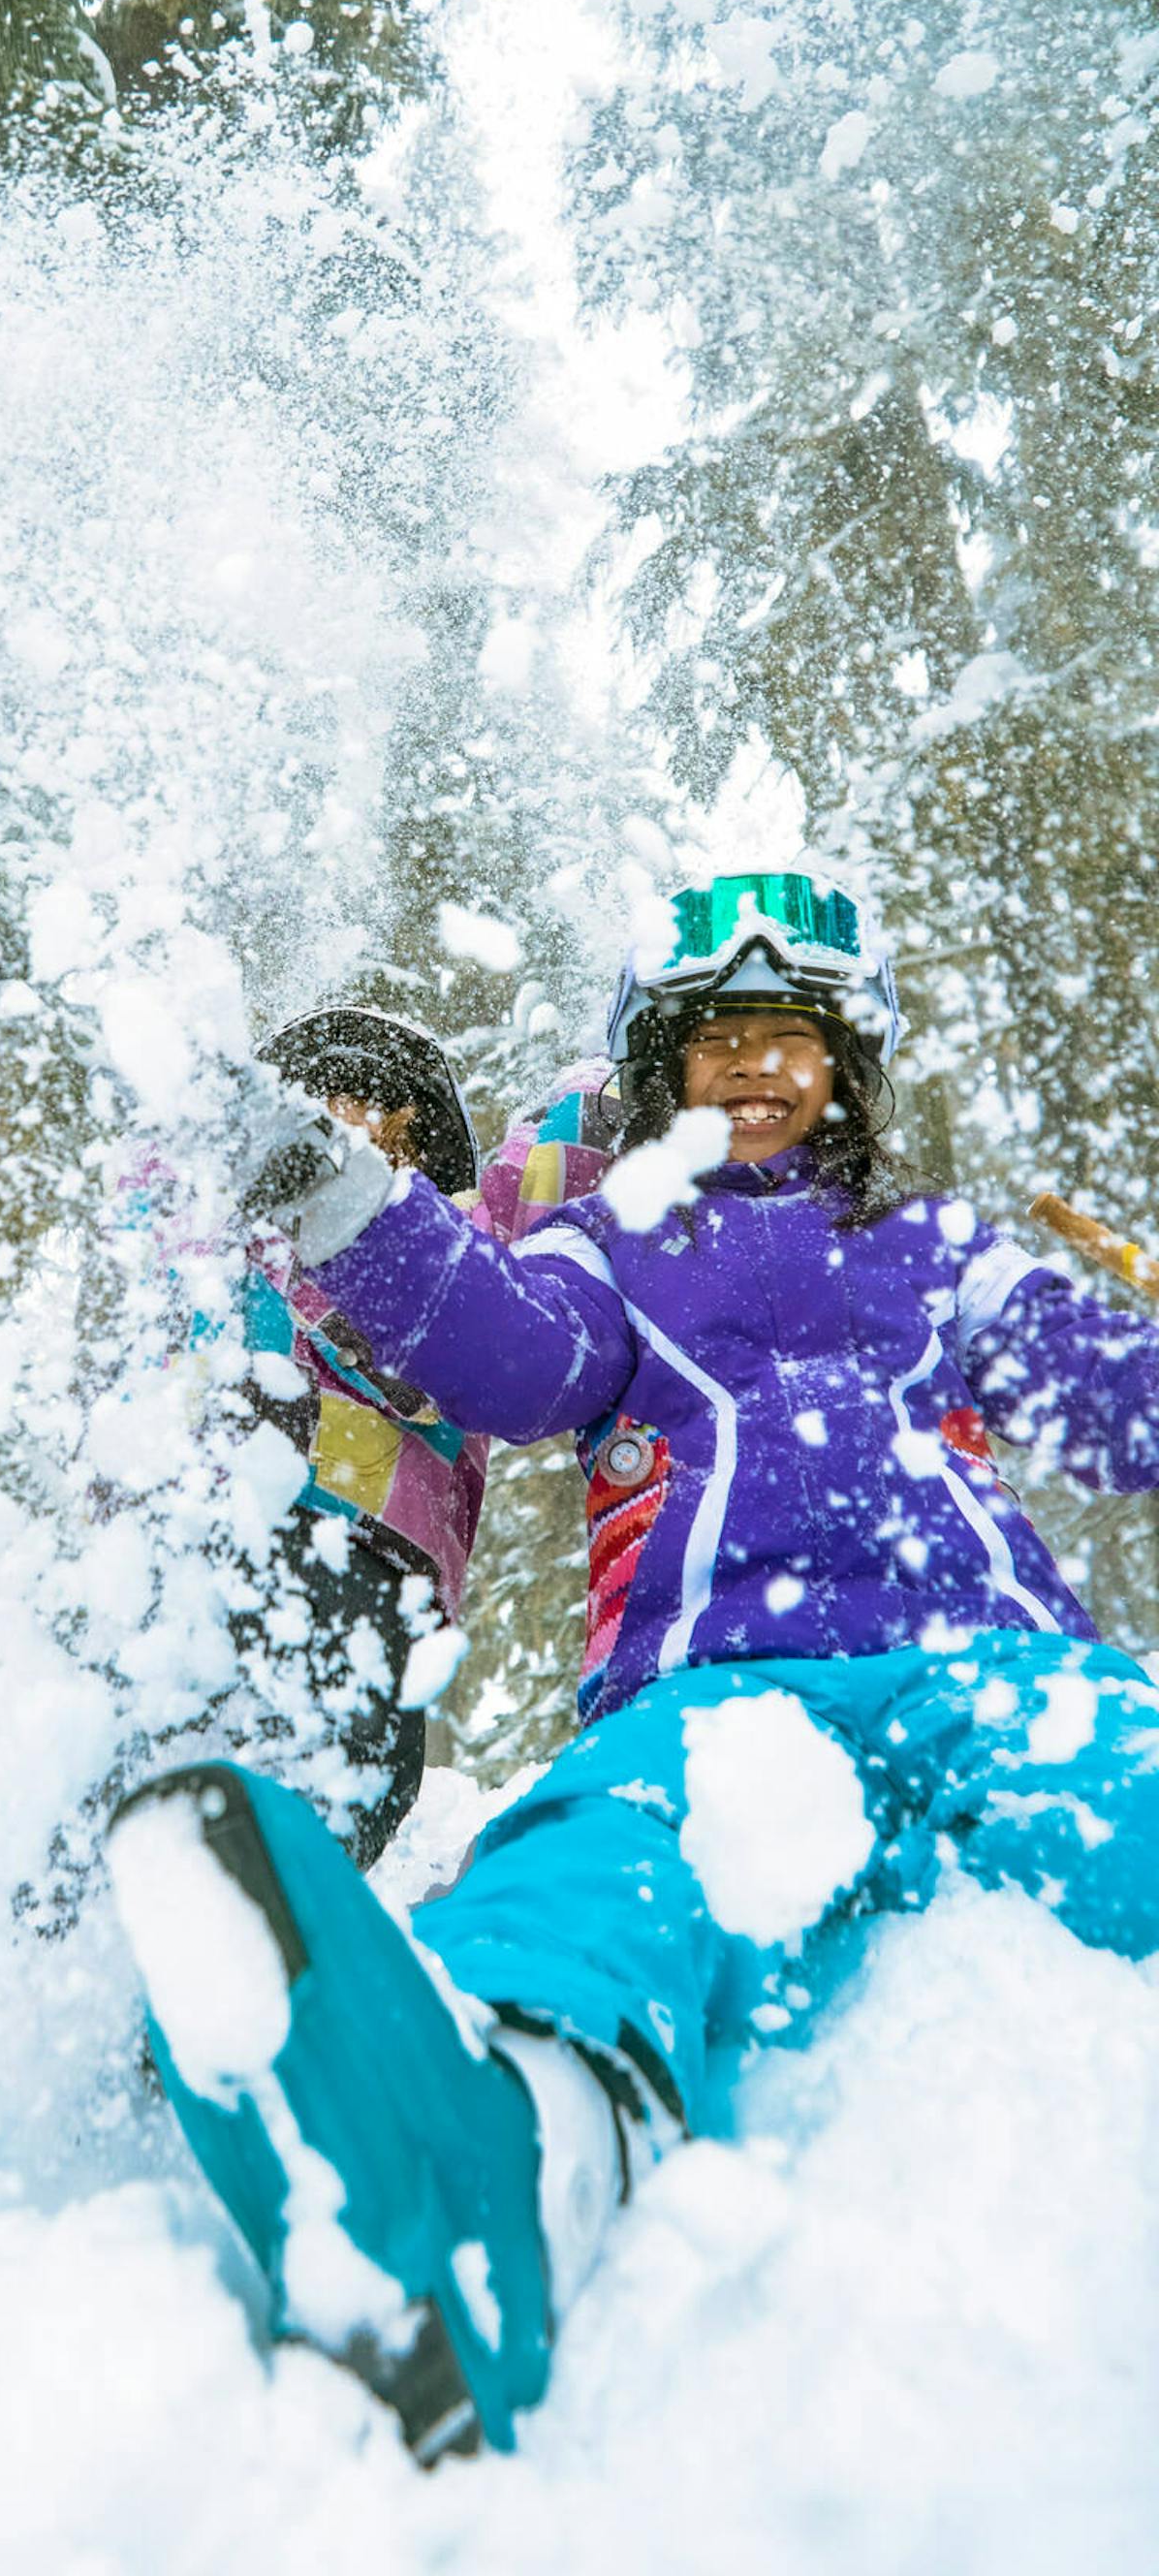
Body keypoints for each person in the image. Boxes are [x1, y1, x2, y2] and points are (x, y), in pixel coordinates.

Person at [107, 871, 1159, 2464]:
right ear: (654, 1074)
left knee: (1126, 1772)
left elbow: (1108, 1401)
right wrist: (328, 1192)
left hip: (992, 1662)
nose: (752, 1067)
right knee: (602, 1871)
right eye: (715, 1039)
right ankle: (481, 2172)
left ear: (846, 1067)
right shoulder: (612, 1250)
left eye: (787, 1039)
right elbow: (499, 1352)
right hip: (714, 1690)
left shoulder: (942, 1252)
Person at [130, 1007, 550, 1868]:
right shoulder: (229, 1248)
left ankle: (290, 1931)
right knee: (147, 1765)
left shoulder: (457, 1253)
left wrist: (604, 1078)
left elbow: (546, 1180)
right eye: (317, 1105)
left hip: (366, 1567)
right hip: (195, 1553)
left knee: (334, 1780)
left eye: (376, 1112)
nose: (345, 1131)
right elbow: (151, 1204)